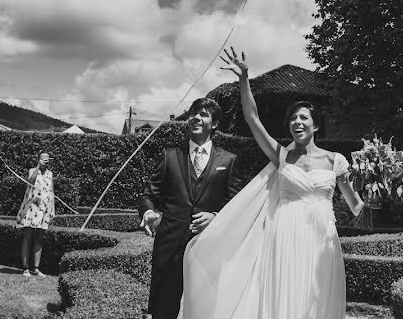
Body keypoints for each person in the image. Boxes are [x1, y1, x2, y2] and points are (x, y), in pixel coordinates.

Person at [183, 48, 364, 319]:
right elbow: (252, 118)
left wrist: (373, 197)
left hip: (322, 238)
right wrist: (244, 78)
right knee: (284, 296)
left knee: (316, 299)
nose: (297, 122)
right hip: (284, 234)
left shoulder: (336, 161)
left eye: (303, 117)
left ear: (316, 126)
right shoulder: (281, 156)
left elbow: (355, 205)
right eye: (293, 118)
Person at [139, 97, 243, 319]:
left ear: (214, 124)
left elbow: (236, 205)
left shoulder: (229, 160)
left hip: (208, 246)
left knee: (206, 310)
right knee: (163, 309)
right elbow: (149, 195)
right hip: (170, 246)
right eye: (193, 113)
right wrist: (148, 212)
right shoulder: (170, 156)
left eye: (203, 114)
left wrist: (216, 216)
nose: (196, 117)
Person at [15, 151, 55, 276]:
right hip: (32, 208)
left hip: (44, 209)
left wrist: (52, 210)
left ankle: (35, 268)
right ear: (38, 159)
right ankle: (25, 268)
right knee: (28, 237)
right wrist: (38, 166)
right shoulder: (32, 170)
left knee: (39, 239)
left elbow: (51, 191)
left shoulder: (50, 174)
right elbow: (30, 182)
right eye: (43, 158)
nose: (45, 161)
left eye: (47, 159)